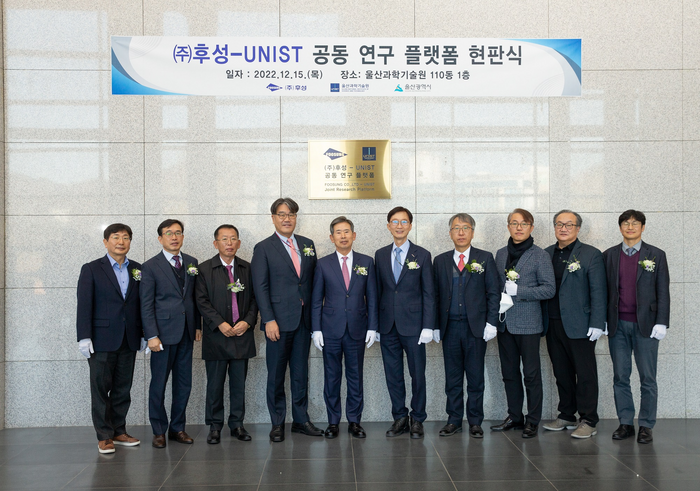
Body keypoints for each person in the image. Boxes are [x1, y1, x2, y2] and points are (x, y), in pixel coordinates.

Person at [251, 197, 323, 442]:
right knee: (276, 374)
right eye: (281, 214)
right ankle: (278, 422)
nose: (286, 218)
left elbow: (311, 281)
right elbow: (260, 287)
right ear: (273, 218)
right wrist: (268, 319)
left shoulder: (307, 244)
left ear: (296, 218)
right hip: (278, 323)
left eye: (291, 214)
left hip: (304, 320)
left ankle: (301, 420)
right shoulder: (263, 248)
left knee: (301, 372)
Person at [76, 223, 145, 454]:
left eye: (125, 237)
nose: (121, 242)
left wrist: (144, 333)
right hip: (101, 338)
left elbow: (140, 304)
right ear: (106, 242)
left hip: (129, 337)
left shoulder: (137, 269)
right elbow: (84, 305)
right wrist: (84, 337)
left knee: (122, 389)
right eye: (115, 237)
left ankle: (119, 430)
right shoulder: (92, 268)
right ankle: (104, 436)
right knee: (100, 388)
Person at [603, 210, 670, 444]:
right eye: (625, 223)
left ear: (642, 227)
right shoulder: (609, 255)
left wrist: (662, 321)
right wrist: (602, 320)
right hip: (617, 325)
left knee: (647, 378)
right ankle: (625, 422)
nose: (630, 226)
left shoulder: (656, 255)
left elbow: (663, 290)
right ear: (620, 227)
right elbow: (604, 292)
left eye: (635, 223)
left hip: (647, 326)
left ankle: (646, 425)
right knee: (621, 376)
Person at [433, 213, 500, 438]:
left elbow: (493, 293)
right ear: (450, 232)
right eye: (456, 228)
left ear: (472, 231)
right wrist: (433, 325)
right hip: (449, 327)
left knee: (475, 377)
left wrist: (491, 323)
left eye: (465, 228)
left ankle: (474, 421)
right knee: (452, 378)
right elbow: (434, 295)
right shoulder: (440, 260)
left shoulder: (484, 258)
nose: (460, 232)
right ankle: (453, 420)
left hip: (476, 328)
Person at [311, 216, 378, 439]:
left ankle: (354, 421)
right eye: (338, 232)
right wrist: (316, 329)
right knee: (331, 377)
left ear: (354, 235)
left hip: (358, 329)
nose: (343, 236)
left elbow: (373, 297)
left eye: (347, 231)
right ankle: (332, 421)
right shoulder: (322, 263)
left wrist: (372, 327)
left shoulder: (366, 262)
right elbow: (316, 298)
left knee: (355, 376)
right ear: (332, 237)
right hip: (330, 329)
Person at [542, 210, 607, 439]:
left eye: (569, 225)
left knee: (585, 373)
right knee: (562, 372)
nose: (564, 228)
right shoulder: (546, 253)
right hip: (552, 323)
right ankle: (566, 414)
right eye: (559, 224)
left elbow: (599, 291)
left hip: (581, 324)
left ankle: (588, 419)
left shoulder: (590, 254)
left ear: (578, 229)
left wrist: (598, 322)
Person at [491, 208, 555, 439]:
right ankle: (515, 416)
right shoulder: (499, 254)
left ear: (531, 227)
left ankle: (533, 419)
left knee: (531, 374)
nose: (519, 227)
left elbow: (549, 289)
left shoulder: (540, 255)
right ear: (508, 226)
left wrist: (521, 291)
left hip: (528, 324)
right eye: (514, 223)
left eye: (524, 223)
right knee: (509, 373)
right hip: (504, 323)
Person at [375, 206, 436, 439]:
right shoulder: (380, 255)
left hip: (414, 326)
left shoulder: (422, 255)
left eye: (403, 222)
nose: (399, 226)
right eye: (394, 221)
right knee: (393, 373)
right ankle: (399, 417)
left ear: (410, 225)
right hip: (388, 325)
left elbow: (429, 293)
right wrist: (375, 325)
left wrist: (428, 326)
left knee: (417, 374)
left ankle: (417, 418)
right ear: (388, 225)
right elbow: (376, 292)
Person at [141, 219, 201, 448]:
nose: (174, 237)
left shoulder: (192, 263)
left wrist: (197, 326)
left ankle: (178, 428)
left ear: (183, 237)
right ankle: (159, 430)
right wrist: (151, 335)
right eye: (169, 233)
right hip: (162, 336)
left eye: (178, 233)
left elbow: (194, 299)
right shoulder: (150, 266)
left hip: (186, 333)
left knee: (184, 384)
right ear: (160, 238)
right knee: (159, 383)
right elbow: (146, 305)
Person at [195, 224, 258, 444]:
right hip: (216, 336)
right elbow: (201, 301)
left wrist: (248, 322)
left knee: (238, 384)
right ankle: (214, 426)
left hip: (242, 335)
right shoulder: (204, 269)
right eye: (224, 239)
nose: (229, 243)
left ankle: (237, 424)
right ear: (216, 243)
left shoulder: (248, 269)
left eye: (233, 239)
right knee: (215, 384)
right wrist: (219, 323)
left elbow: (254, 300)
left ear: (239, 243)